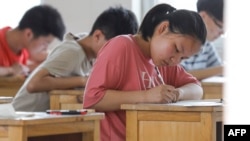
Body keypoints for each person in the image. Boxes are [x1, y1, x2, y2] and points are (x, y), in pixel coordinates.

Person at [83, 3, 207, 141]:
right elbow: (92, 99)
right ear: (163, 28)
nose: (175, 60)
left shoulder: (165, 63)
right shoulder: (122, 46)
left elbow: (197, 89)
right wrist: (146, 96)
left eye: (183, 58)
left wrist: (179, 93)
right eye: (177, 49)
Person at [11, 6, 138, 112]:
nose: (115, 56)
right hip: (21, 117)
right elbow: (33, 85)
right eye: (113, 49)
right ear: (97, 36)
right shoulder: (73, 51)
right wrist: (83, 81)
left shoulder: (89, 49)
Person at [0, 4, 66, 77]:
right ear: (28, 34)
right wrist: (11, 70)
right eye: (45, 43)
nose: (46, 48)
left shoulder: (23, 50)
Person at [180, 0, 224, 80]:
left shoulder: (207, 44)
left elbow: (219, 69)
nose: (222, 33)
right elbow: (177, 76)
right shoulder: (180, 39)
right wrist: (221, 69)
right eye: (220, 26)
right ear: (203, 16)